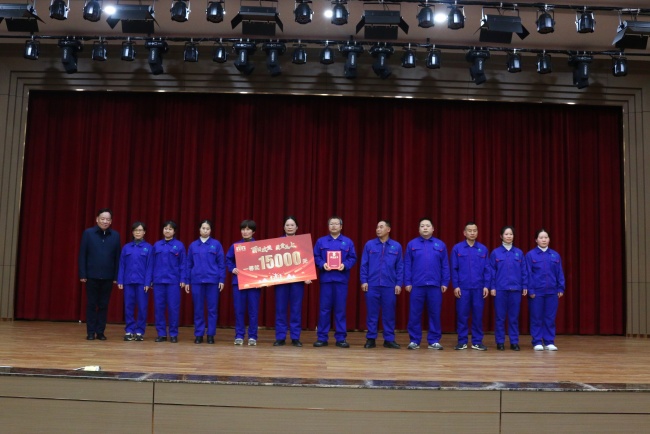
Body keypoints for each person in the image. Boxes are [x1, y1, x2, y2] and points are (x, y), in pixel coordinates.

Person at [404, 218, 450, 350]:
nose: (425, 228)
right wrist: (407, 282)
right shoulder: (412, 244)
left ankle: (434, 340)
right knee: (414, 314)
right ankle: (414, 340)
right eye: (422, 226)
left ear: (433, 229)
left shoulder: (440, 245)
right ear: (419, 229)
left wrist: (445, 282)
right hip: (417, 285)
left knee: (435, 313)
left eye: (428, 226)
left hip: (435, 285)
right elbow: (407, 264)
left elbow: (445, 265)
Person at [313, 216, 357, 348]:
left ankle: (341, 338)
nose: (333, 226)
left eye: (336, 224)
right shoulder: (321, 241)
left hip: (341, 280)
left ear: (341, 226)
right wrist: (322, 264)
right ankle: (322, 337)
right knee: (324, 310)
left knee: (340, 310)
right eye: (331, 224)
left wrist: (345, 265)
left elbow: (353, 257)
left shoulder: (348, 242)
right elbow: (315, 256)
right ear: (328, 226)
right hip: (326, 280)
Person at [78, 208, 121, 341]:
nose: (105, 221)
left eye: (108, 219)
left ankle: (100, 332)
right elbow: (82, 254)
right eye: (102, 219)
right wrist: (83, 274)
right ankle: (91, 332)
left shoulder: (115, 235)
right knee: (91, 304)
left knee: (103, 305)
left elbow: (117, 257)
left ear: (111, 221)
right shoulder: (88, 233)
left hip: (108, 277)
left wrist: (116, 276)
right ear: (97, 219)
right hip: (91, 276)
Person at [359, 220, 403, 349]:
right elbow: (364, 264)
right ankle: (371, 338)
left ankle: (389, 339)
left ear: (388, 229)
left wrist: (398, 283)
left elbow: (400, 267)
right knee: (372, 313)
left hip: (389, 285)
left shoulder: (396, 246)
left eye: (381, 227)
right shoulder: (370, 245)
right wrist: (364, 280)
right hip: (372, 284)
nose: (378, 229)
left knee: (389, 314)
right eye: (377, 227)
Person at [451, 222, 491, 351]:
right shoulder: (457, 248)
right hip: (463, 288)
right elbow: (454, 268)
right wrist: (456, 286)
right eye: (469, 230)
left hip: (478, 288)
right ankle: (462, 341)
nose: (472, 233)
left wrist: (486, 285)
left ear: (477, 232)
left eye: (474, 230)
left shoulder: (483, 249)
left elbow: (487, 269)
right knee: (462, 315)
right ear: (464, 233)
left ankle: (477, 342)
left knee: (478, 316)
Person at [186, 220, 226, 344]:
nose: (205, 230)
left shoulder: (216, 244)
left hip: (212, 281)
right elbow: (188, 264)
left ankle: (210, 335)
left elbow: (221, 264)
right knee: (198, 309)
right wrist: (187, 281)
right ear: (199, 229)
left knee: (212, 309)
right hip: (197, 281)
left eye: (207, 228)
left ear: (210, 230)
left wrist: (222, 279)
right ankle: (199, 334)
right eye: (203, 228)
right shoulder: (193, 245)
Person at [146, 220, 186, 343]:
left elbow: (183, 264)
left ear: (174, 231)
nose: (167, 231)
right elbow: (151, 264)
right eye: (165, 228)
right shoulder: (157, 245)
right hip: (158, 281)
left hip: (173, 281)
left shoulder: (179, 245)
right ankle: (161, 334)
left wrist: (183, 279)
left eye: (170, 229)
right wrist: (149, 280)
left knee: (173, 308)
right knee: (159, 308)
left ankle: (173, 334)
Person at [273, 216, 311, 347]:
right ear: (284, 227)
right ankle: (280, 337)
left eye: (292, 225)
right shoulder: (277, 243)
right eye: (287, 225)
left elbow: (307, 260)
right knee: (280, 309)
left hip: (297, 281)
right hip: (281, 281)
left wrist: (308, 275)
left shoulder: (302, 242)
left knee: (296, 309)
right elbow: (271, 261)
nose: (290, 227)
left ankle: (295, 337)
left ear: (297, 227)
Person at [526, 228, 566, 351]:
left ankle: (549, 341)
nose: (544, 240)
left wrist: (560, 287)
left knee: (550, 317)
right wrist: (531, 290)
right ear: (536, 240)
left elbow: (559, 272)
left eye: (546, 237)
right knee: (536, 317)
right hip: (536, 292)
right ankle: (537, 341)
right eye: (541, 237)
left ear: (549, 239)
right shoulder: (530, 255)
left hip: (552, 291)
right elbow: (528, 274)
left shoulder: (555, 255)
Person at [489, 226, 528, 351]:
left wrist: (524, 286)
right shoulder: (495, 253)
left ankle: (514, 342)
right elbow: (491, 271)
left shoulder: (519, 253)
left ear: (513, 236)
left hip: (515, 289)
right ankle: (500, 342)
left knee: (514, 317)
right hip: (500, 289)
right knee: (500, 317)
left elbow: (524, 271)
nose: (509, 236)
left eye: (511, 234)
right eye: (506, 234)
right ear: (501, 236)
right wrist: (492, 287)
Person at [226, 219, 261, 346]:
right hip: (239, 282)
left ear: (253, 231)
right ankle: (239, 335)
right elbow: (228, 259)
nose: (245, 232)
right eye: (243, 229)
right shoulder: (235, 246)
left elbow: (264, 262)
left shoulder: (259, 246)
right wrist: (232, 268)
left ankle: (252, 336)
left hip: (254, 283)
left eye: (248, 229)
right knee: (239, 310)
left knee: (253, 311)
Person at [117, 221, 153, 342]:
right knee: (129, 306)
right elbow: (122, 265)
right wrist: (120, 280)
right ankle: (129, 330)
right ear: (132, 232)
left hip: (142, 283)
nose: (138, 232)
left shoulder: (149, 248)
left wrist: (147, 282)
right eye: (136, 230)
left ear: (144, 232)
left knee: (142, 307)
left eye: (140, 230)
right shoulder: (126, 247)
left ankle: (139, 331)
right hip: (128, 281)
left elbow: (150, 266)